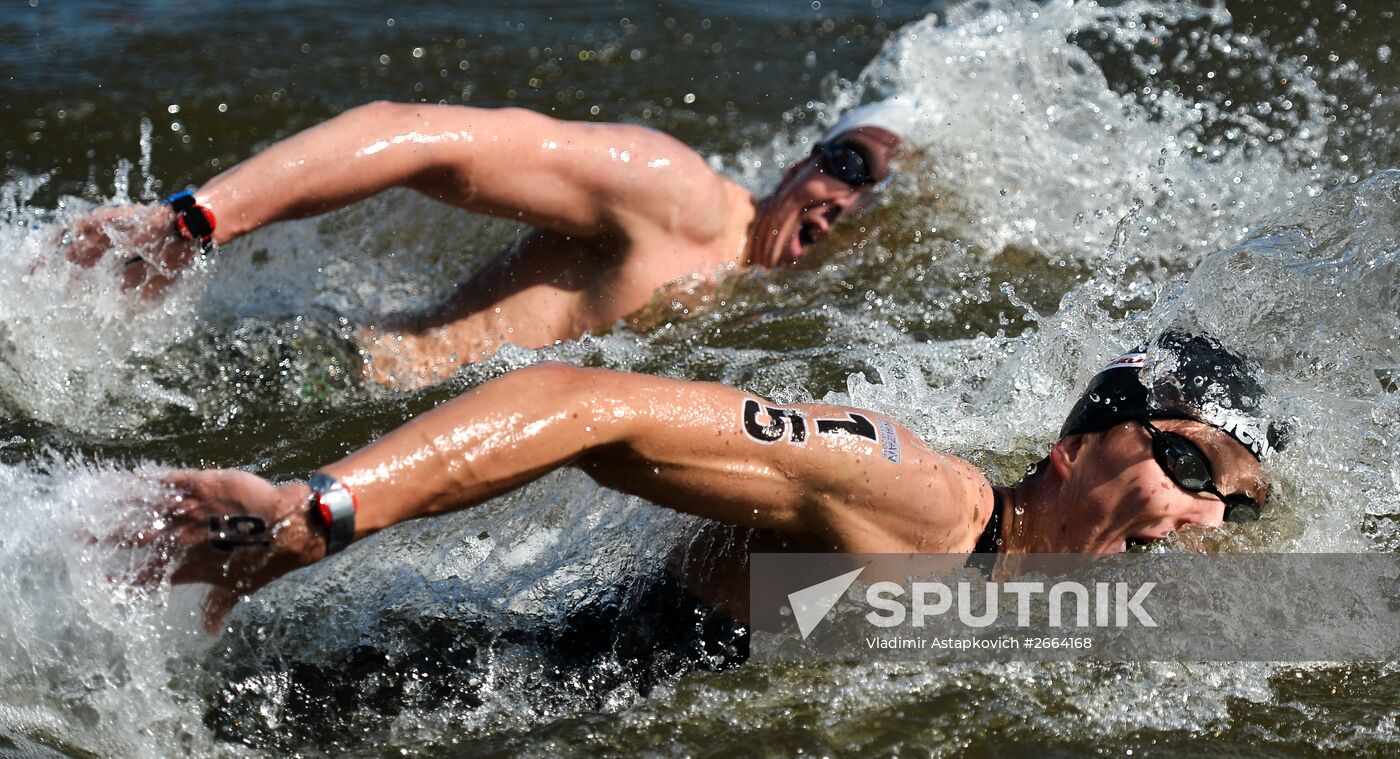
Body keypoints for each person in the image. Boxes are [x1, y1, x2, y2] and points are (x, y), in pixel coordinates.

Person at [127, 330, 1281, 633]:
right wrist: (319, 511)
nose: (1201, 512)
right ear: (1073, 450)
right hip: (440, 701)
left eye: (1233, 502)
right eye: (1184, 461)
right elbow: (575, 403)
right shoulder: (907, 495)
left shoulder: (1069, 599)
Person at [60, 97, 916, 387]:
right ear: (804, 155)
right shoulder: (673, 192)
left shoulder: (764, 293)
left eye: (869, 204)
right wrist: (196, 221)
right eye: (847, 162)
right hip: (328, 383)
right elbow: (417, 134)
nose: (843, 200)